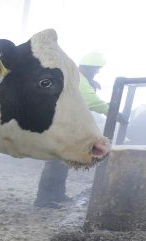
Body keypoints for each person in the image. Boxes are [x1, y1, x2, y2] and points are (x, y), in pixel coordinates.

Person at [34, 51, 125, 208]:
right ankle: (43, 199)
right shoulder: (80, 80)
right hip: (61, 126)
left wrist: (91, 82)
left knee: (63, 161)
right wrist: (113, 111)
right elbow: (92, 101)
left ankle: (57, 194)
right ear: (89, 68)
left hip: (67, 125)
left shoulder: (79, 77)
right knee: (55, 162)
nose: (97, 73)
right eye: (96, 70)